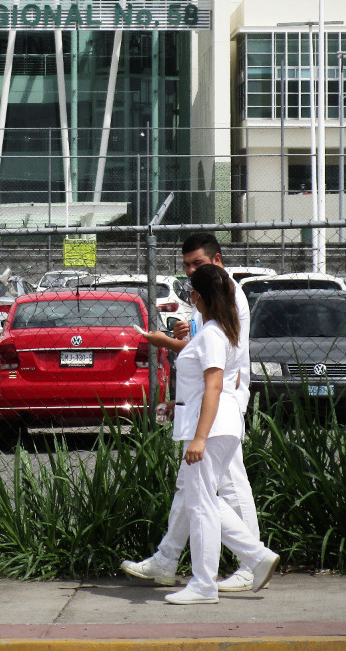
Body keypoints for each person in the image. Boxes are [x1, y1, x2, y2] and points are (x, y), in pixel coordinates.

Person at [121, 233, 263, 593]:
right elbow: (204, 347)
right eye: (186, 266)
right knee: (191, 487)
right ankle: (168, 559)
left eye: (197, 264)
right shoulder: (212, 300)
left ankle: (252, 561)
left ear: (217, 260)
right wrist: (183, 336)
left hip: (218, 407)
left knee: (224, 486)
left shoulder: (226, 293)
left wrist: (169, 343)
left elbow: (216, 362)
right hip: (206, 405)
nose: (189, 273)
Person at [153, 263, 279, 604]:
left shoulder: (211, 334)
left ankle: (205, 584)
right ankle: (255, 557)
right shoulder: (222, 330)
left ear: (197, 296)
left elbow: (212, 387)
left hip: (210, 426)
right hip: (220, 425)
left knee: (203, 505)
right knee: (205, 500)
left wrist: (198, 438)